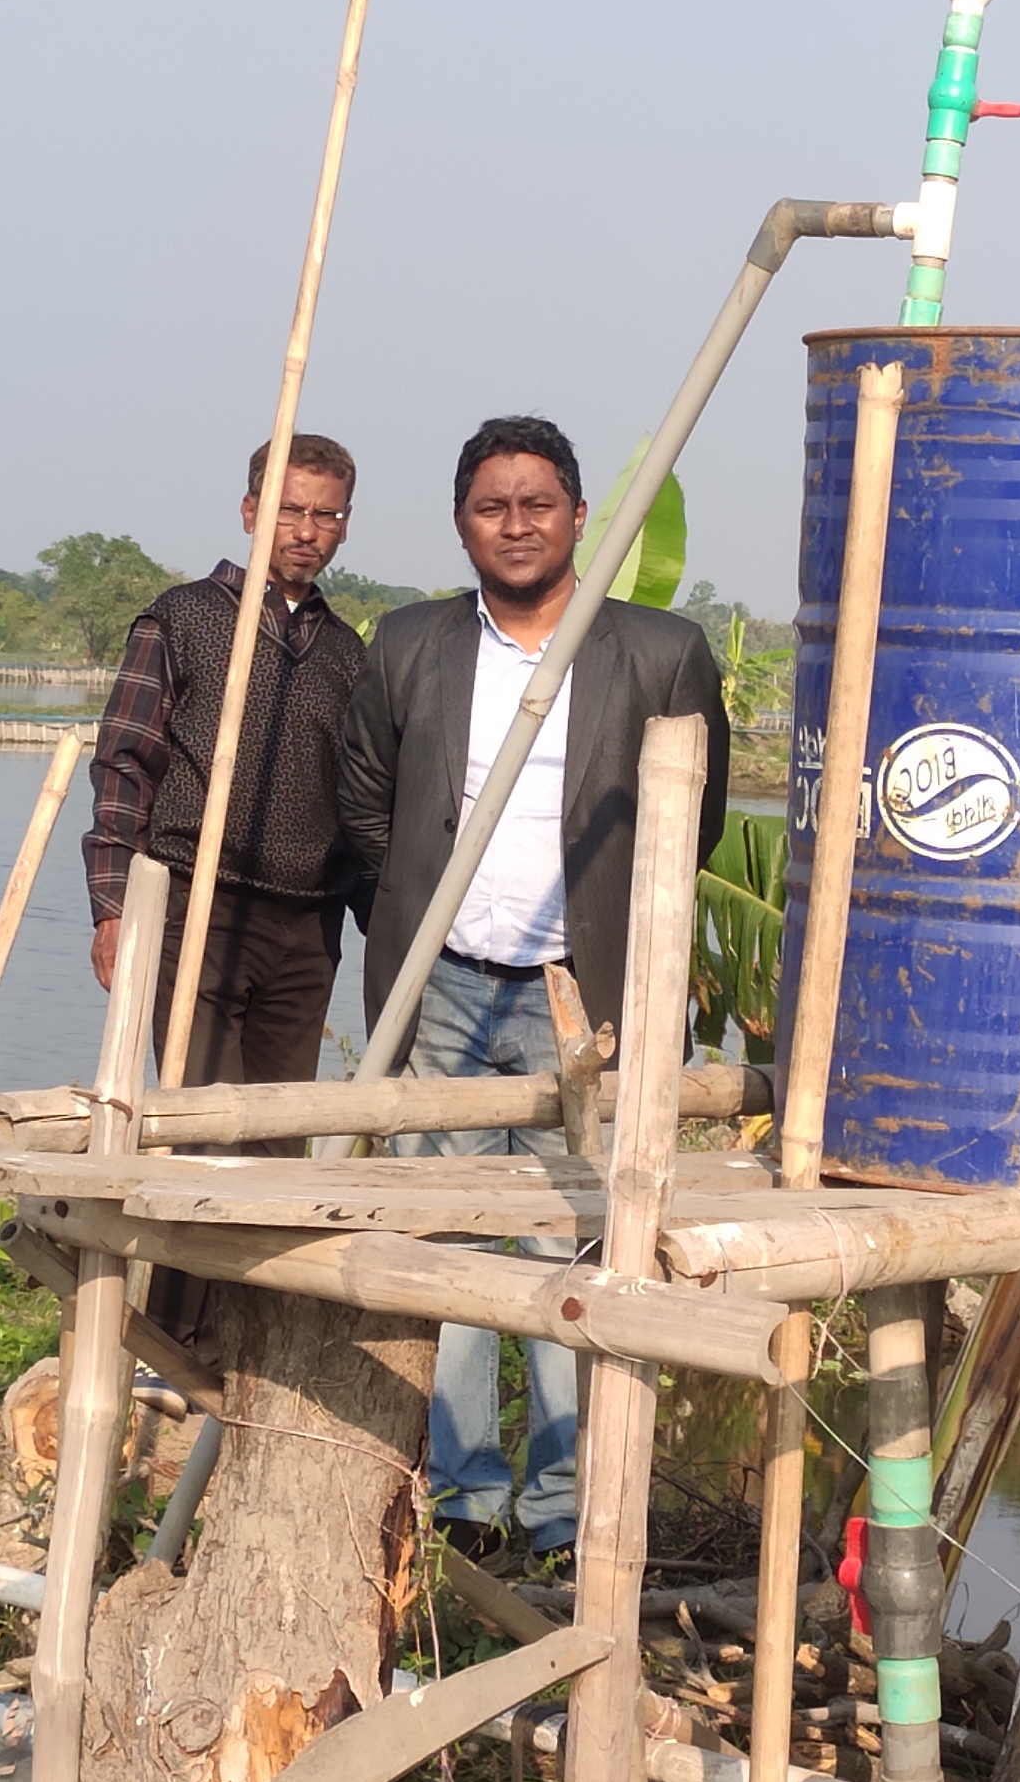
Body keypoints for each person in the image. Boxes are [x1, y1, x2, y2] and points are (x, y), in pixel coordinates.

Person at [336, 415, 731, 1563]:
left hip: (583, 994)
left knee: (573, 1243)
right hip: (447, 986)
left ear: (576, 517)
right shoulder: (409, 644)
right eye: (491, 507)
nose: (515, 525)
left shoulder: (657, 652)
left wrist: (604, 931)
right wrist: (424, 918)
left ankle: (561, 1505)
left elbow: (692, 823)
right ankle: (466, 1500)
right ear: (462, 523)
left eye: (536, 504)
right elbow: (367, 808)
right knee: (454, 1246)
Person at [82, 433, 370, 1091]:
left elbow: (361, 803)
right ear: (250, 512)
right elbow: (124, 765)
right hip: (197, 909)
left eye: (325, 515)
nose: (306, 531)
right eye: (288, 510)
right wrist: (112, 906)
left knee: (278, 1129)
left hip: (307, 928)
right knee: (204, 1121)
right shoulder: (184, 618)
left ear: (344, 525)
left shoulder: (347, 654)